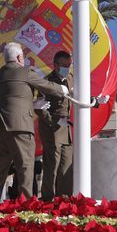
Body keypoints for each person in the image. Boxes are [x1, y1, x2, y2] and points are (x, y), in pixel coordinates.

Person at [0, 42, 74, 202]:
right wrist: (63, 90)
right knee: (25, 167)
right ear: (19, 57)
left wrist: (34, 103)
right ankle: (26, 205)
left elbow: (13, 97)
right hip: (19, 127)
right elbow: (46, 86)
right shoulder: (25, 72)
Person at [38, 50, 76, 200]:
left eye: (69, 65)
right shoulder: (47, 82)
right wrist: (53, 122)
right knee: (51, 166)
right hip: (51, 129)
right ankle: (47, 199)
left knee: (67, 165)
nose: (67, 69)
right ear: (55, 65)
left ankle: (64, 200)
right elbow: (39, 108)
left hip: (66, 128)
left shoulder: (71, 78)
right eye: (64, 66)